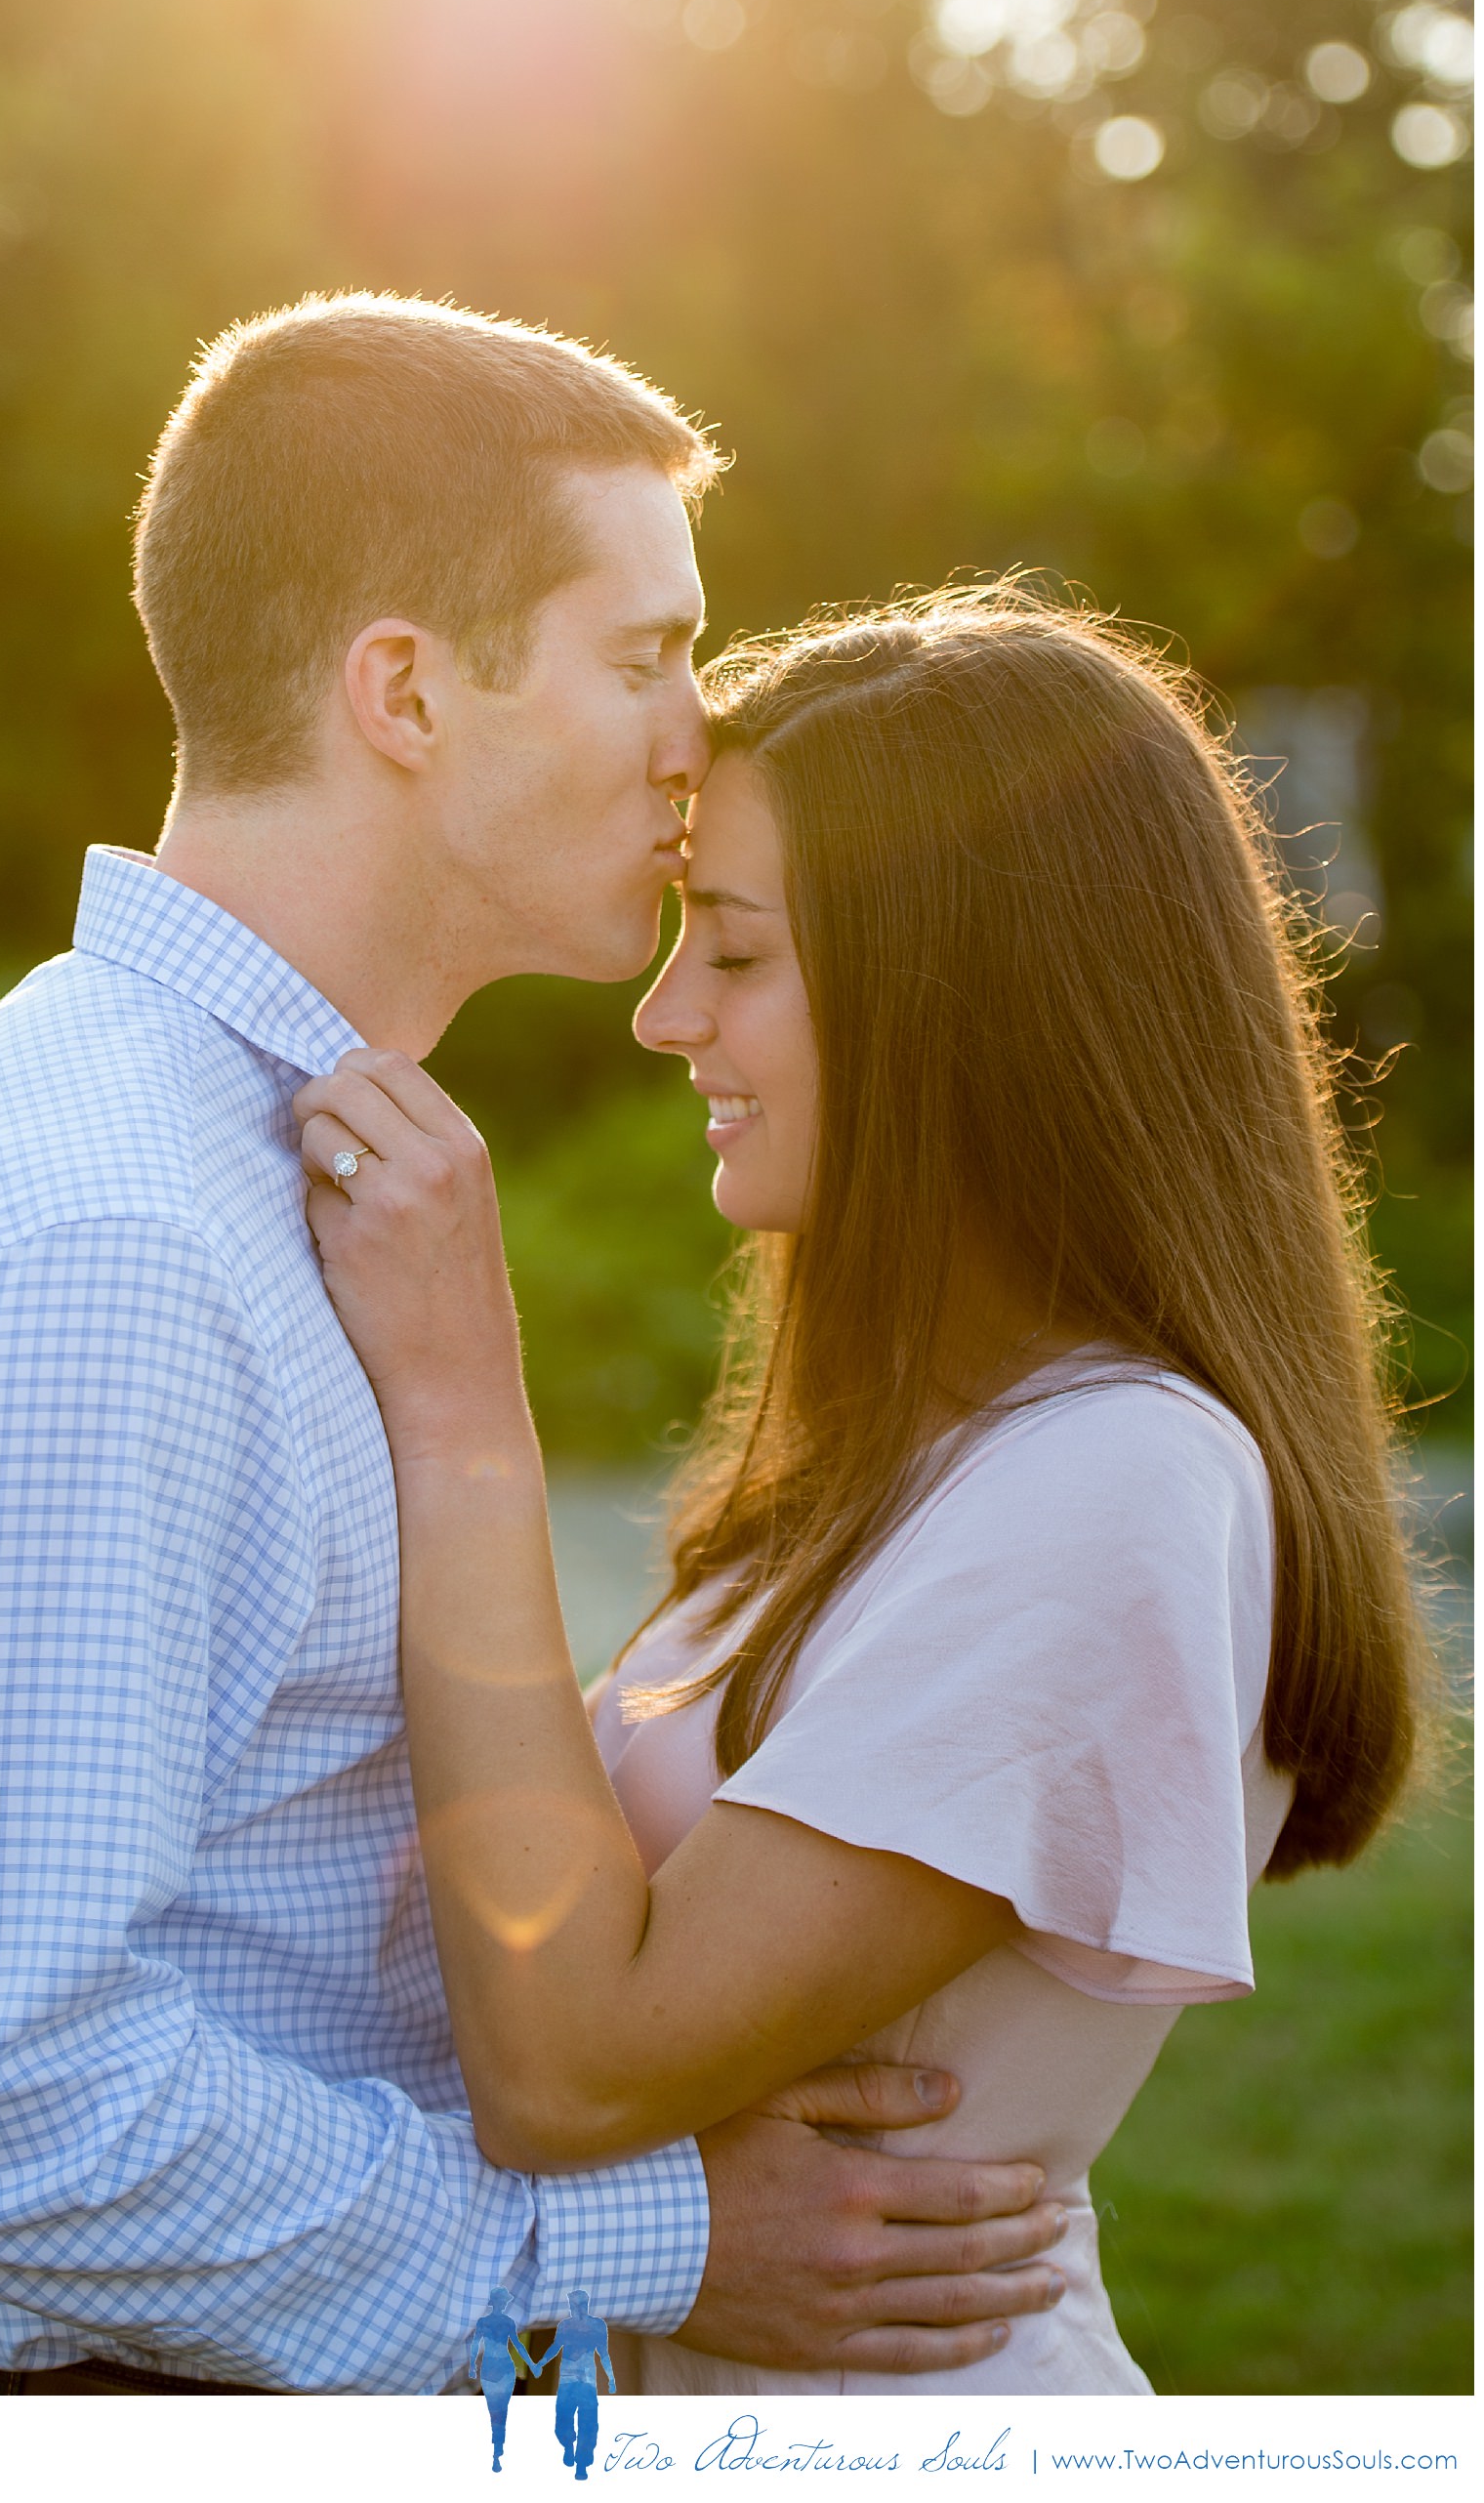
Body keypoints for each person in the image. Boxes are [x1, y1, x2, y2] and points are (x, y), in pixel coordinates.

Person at [0, 298, 1067, 2396]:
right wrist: (638, 2237)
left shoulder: (293, 1166)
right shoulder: (110, 1236)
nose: (696, 732)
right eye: (640, 654)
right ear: (401, 689)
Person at [295, 590, 1423, 2398]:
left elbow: (572, 2059)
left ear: (962, 1002)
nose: (666, 1013)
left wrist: (461, 1407)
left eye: (734, 951)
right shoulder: (937, 1448)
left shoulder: (1115, 1480)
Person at [540, 2290, 614, 2479]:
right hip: (567, 2380)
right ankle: (568, 2445)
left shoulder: (597, 2325)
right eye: (572, 2305)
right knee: (562, 2422)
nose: (575, 2308)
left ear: (586, 2304)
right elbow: (555, 2347)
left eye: (579, 2305)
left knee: (588, 2424)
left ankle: (582, 2463)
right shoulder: (565, 2326)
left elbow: (604, 2354)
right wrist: (540, 2363)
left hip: (587, 2382)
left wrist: (611, 2378)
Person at [465, 2285, 537, 2471]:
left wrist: (532, 2363)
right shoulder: (484, 2322)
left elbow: (518, 2346)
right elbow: (474, 2346)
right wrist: (472, 2366)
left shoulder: (509, 2321)